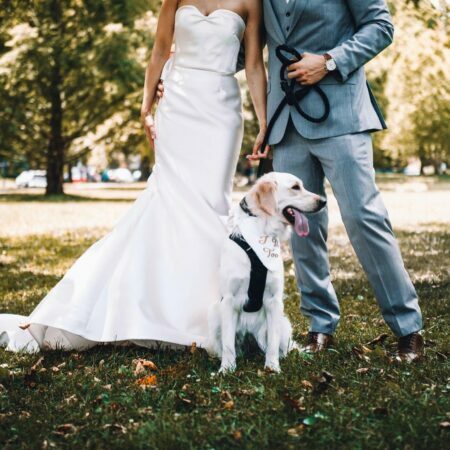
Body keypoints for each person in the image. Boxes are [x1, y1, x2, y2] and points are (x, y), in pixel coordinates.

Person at [0, 0, 268, 352]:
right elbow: (159, 49)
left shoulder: (251, 2)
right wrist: (146, 108)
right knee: (169, 199)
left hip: (221, 110)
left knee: (211, 203)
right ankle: (151, 306)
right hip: (178, 103)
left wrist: (264, 123)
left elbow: (252, 65)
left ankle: (210, 313)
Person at [248, 0, 423, 361]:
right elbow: (244, 45)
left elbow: (380, 26)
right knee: (302, 229)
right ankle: (320, 325)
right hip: (287, 123)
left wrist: (328, 61)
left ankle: (408, 329)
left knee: (364, 218)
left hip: (342, 115)